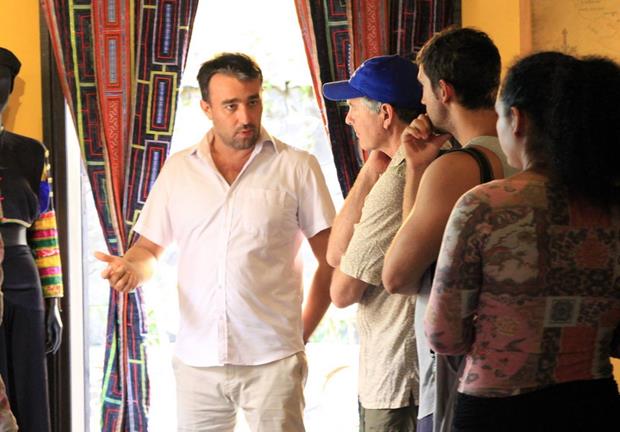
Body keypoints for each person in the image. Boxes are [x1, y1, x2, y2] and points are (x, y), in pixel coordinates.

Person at [95, 52, 335, 432]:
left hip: (273, 361)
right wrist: (131, 269)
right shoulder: (178, 171)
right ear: (206, 108)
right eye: (231, 105)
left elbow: (331, 260)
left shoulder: (297, 167)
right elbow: (148, 251)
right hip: (197, 362)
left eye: (253, 101)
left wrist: (300, 334)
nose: (246, 116)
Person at [424, 51, 620, 432]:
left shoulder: (485, 206)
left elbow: (443, 334)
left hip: (495, 410)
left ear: (517, 120)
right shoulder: (613, 209)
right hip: (594, 407)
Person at [381, 27, 517, 432]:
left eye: (423, 87)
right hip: (527, 367)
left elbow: (398, 275)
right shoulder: (530, 157)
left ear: (444, 90)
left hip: (460, 374)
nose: (420, 100)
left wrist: (420, 171)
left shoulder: (459, 167)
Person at [322, 54, 424, 432]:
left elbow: (342, 290)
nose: (347, 119)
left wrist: (377, 178)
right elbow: (336, 253)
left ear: (385, 114)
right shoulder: (397, 167)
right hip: (397, 375)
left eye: (352, 107)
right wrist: (368, 172)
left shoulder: (400, 179)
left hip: (397, 380)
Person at [0, 46, 63, 432]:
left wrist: (54, 299)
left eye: (3, 83)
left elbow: (45, 229)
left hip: (23, 278)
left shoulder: (32, 152)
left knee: (27, 384)